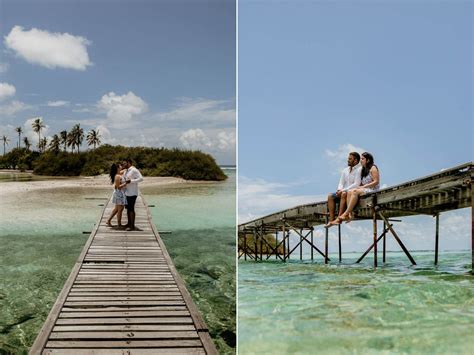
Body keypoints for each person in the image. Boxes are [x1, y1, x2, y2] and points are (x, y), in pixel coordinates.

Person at [329, 152, 380, 226]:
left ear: (368, 160)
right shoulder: (364, 170)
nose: (361, 160)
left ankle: (346, 213)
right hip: (366, 190)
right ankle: (349, 215)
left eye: (363, 159)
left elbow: (376, 181)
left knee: (354, 191)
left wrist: (363, 187)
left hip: (373, 190)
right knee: (350, 191)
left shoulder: (373, 167)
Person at [326, 152, 361, 226]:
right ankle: (332, 220)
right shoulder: (345, 170)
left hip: (350, 192)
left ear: (356, 160)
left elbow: (356, 184)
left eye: (350, 159)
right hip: (343, 191)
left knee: (344, 193)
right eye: (348, 158)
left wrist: (343, 190)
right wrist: (339, 189)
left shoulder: (359, 169)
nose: (348, 160)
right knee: (330, 196)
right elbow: (341, 182)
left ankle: (339, 218)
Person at [122, 158, 144, 231]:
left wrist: (131, 181)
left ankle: (132, 226)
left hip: (133, 193)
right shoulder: (126, 171)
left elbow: (141, 178)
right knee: (128, 209)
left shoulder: (134, 170)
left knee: (131, 209)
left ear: (129, 163)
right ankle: (129, 223)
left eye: (124, 163)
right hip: (127, 192)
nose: (123, 165)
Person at [106, 163, 127, 227]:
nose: (121, 166)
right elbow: (118, 187)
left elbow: (124, 170)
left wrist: (128, 168)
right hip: (119, 193)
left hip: (119, 193)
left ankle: (108, 220)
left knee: (117, 209)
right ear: (118, 168)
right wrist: (126, 183)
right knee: (120, 209)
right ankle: (119, 224)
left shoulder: (119, 173)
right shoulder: (117, 176)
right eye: (120, 166)